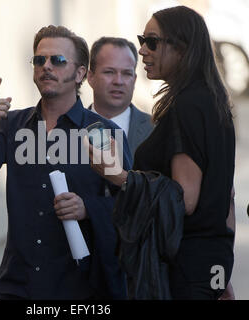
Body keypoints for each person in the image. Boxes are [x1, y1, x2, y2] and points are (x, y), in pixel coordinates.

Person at [0, 25, 132, 300]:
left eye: (58, 60)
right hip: (18, 286)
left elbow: (129, 207)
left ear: (80, 73)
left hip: (80, 288)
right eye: (39, 60)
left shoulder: (102, 133)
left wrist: (87, 208)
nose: (46, 66)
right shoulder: (12, 125)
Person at [86, 6, 235, 300]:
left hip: (184, 267)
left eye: (152, 41)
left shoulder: (187, 106)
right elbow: (224, 198)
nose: (142, 50)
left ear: (181, 48)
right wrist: (219, 273)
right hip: (207, 261)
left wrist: (119, 176)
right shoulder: (211, 101)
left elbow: (184, 198)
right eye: (143, 39)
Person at [87, 37, 153, 157]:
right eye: (109, 72)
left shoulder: (156, 130)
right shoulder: (67, 130)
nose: (118, 81)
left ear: (134, 80)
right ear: (90, 77)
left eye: (127, 73)